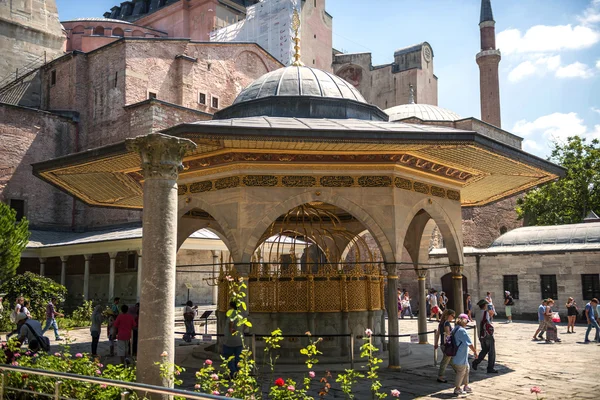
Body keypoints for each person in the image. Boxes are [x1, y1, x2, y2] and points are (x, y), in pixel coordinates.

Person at [451, 314, 478, 396]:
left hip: (458, 356)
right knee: (461, 372)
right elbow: (469, 343)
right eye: (467, 321)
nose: (467, 323)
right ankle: (457, 388)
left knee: (466, 369)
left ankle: (466, 386)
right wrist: (475, 352)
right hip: (460, 356)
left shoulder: (455, 328)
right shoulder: (462, 331)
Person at [473, 299, 497, 373]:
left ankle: (476, 362)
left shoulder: (477, 313)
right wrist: (490, 316)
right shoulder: (485, 313)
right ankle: (490, 368)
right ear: (484, 306)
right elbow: (487, 323)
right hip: (487, 334)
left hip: (480, 334)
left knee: (484, 350)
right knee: (491, 351)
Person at [434, 309, 455, 383]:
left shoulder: (441, 323)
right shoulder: (446, 323)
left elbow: (437, 334)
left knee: (451, 359)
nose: (453, 317)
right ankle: (440, 376)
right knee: (445, 361)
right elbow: (448, 334)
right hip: (447, 345)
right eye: (452, 316)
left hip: (443, 344)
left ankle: (459, 372)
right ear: (448, 315)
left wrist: (436, 343)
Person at [223, 301, 244, 376]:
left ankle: (233, 373)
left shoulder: (232, 314)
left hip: (230, 341)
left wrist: (231, 329)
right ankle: (238, 373)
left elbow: (231, 323)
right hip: (239, 340)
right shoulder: (240, 315)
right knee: (238, 358)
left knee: (228, 358)